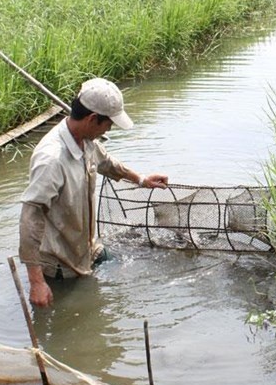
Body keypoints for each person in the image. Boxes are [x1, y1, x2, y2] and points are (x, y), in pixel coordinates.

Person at [19, 77, 168, 307]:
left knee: (124, 272)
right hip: (60, 265)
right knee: (68, 322)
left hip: (88, 249)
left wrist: (140, 179)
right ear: (92, 119)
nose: (109, 129)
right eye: (108, 124)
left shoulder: (86, 140)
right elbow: (30, 217)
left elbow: (106, 162)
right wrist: (36, 282)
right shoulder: (51, 160)